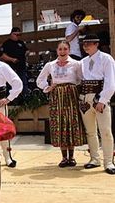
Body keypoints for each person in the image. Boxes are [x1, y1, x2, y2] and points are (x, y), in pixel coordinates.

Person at [36, 41, 86, 167]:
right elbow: (39, 80)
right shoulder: (50, 65)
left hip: (71, 96)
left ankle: (72, 157)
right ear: (57, 51)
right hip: (56, 95)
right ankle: (64, 157)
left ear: (69, 50)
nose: (62, 52)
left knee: (71, 122)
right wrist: (48, 87)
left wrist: (74, 89)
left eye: (65, 49)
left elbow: (81, 79)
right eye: (60, 49)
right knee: (60, 123)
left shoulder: (76, 63)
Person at [78, 34, 115, 175]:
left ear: (96, 44)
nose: (86, 46)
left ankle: (109, 162)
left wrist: (103, 100)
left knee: (105, 131)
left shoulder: (106, 59)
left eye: (89, 43)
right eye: (84, 43)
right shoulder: (83, 62)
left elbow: (111, 83)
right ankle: (94, 158)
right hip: (85, 98)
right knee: (90, 131)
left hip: (99, 97)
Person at [1, 27, 29, 98]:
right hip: (11, 67)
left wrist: (26, 53)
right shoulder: (7, 43)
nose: (17, 36)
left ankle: (24, 99)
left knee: (23, 83)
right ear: (11, 34)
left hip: (21, 67)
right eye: (15, 34)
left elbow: (26, 50)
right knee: (12, 84)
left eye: (19, 35)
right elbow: (2, 55)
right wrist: (12, 59)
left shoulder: (21, 43)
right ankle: (12, 100)